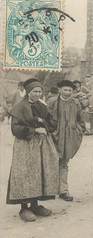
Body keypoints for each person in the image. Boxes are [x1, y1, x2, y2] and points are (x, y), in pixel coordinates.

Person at [6, 78, 59, 222]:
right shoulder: (20, 107)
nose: (37, 94)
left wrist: (44, 124)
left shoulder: (42, 106)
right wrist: (35, 130)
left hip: (41, 144)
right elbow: (15, 128)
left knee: (39, 172)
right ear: (28, 92)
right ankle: (24, 208)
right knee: (25, 173)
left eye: (39, 91)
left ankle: (35, 205)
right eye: (34, 91)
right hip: (25, 145)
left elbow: (53, 123)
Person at [48, 80, 85, 202]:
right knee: (53, 161)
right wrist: (52, 132)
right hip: (55, 136)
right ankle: (50, 189)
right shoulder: (53, 102)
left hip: (69, 136)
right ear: (60, 90)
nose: (68, 92)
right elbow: (46, 118)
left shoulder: (75, 103)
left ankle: (63, 190)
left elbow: (80, 119)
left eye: (70, 90)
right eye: (65, 90)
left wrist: (79, 130)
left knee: (64, 162)